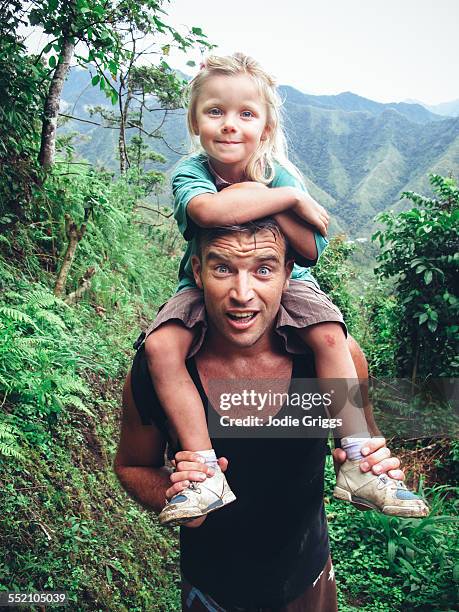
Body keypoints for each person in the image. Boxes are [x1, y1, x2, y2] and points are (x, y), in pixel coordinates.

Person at [142, 52, 427, 525]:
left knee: (331, 335)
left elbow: (310, 249)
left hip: (290, 282)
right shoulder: (192, 175)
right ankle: (205, 472)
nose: (230, 125)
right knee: (161, 345)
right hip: (203, 283)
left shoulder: (278, 170)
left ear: (266, 128)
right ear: (195, 121)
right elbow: (208, 214)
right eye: (215, 112)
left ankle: (356, 457)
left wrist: (272, 198)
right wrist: (288, 201)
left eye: (246, 114)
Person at [115, 220, 428, 611]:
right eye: (222, 269)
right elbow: (132, 465)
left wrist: (370, 462)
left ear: (287, 274)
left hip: (307, 578)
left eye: (263, 269)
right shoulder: (156, 371)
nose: (242, 294)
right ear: (198, 272)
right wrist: (170, 494)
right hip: (211, 589)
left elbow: (360, 444)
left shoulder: (332, 358)